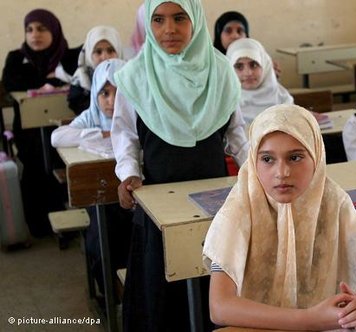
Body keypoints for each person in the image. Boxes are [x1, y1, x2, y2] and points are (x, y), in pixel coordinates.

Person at [111, 0, 248, 330]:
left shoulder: (220, 70)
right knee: (164, 287)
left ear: (196, 21)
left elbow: (236, 132)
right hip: (160, 200)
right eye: (158, 20)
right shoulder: (135, 76)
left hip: (215, 199)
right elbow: (125, 133)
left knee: (215, 274)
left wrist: (252, 169)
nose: (168, 29)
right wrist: (129, 172)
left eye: (179, 18)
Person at [203, 104, 356, 331]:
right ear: (253, 161)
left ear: (317, 155)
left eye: (295, 157)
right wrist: (308, 320)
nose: (282, 172)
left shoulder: (333, 201)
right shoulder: (239, 209)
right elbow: (220, 307)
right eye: (267, 159)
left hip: (329, 324)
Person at [51, 58, 132, 300]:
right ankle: (109, 290)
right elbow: (57, 137)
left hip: (130, 196)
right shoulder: (91, 116)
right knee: (99, 236)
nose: (111, 100)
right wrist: (101, 133)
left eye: (118, 92)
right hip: (101, 200)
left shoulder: (136, 114)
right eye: (104, 93)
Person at [1, 8, 80, 237]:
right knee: (35, 167)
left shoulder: (68, 56)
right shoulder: (16, 57)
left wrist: (39, 83)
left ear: (54, 30)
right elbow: (12, 82)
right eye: (30, 29)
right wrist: (47, 80)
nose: (35, 34)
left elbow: (78, 79)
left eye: (42, 28)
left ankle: (70, 224)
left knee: (64, 163)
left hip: (63, 127)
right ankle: (40, 226)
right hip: (29, 133)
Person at [226, 38, 293, 124]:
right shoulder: (224, 107)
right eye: (239, 66)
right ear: (229, 69)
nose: (248, 73)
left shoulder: (285, 103)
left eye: (254, 65)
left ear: (265, 65)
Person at [68, 26, 124, 114]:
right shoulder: (81, 79)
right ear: (89, 54)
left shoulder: (127, 76)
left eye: (110, 51)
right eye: (98, 52)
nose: (105, 57)